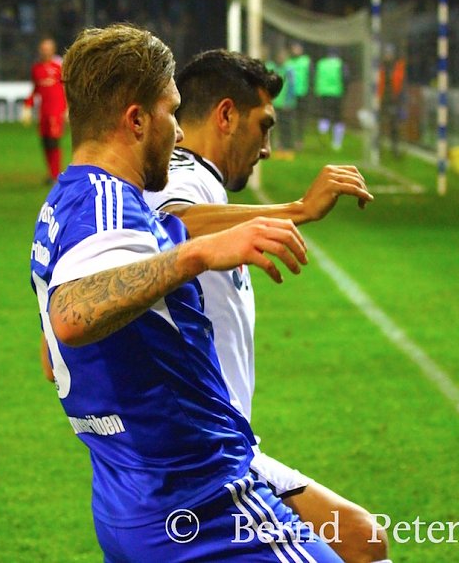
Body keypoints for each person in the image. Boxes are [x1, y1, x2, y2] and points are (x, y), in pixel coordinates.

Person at [30, 24, 342, 562]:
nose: (178, 134)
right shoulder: (106, 205)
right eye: (171, 113)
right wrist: (197, 256)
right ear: (136, 120)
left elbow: (52, 356)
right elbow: (71, 315)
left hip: (132, 498)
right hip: (202, 499)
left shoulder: (63, 207)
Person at [143, 49, 389, 563]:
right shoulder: (182, 176)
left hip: (218, 447)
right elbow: (166, 225)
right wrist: (298, 210)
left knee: (362, 540)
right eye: (264, 127)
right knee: (363, 543)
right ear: (226, 115)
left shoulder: (200, 182)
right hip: (201, 460)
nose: (268, 149)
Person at [22, 37, 67, 185]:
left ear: (53, 50)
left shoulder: (59, 66)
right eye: (43, 49)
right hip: (43, 112)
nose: (45, 51)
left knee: (54, 143)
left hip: (56, 111)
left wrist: (68, 108)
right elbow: (35, 89)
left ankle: (56, 175)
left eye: (47, 49)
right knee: (46, 143)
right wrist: (27, 106)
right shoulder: (37, 68)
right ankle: (51, 173)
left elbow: (67, 88)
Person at [314, 47, 347, 150]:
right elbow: (346, 77)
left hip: (323, 93)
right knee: (337, 118)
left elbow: (315, 77)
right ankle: (336, 143)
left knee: (324, 115)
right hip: (337, 93)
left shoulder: (321, 63)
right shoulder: (340, 64)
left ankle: (323, 136)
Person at [377, 43, 406, 158]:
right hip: (383, 99)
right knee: (380, 124)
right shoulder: (381, 67)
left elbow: (401, 83)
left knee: (394, 125)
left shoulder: (398, 66)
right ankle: (378, 150)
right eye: (386, 54)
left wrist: (401, 99)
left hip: (394, 99)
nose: (388, 56)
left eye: (390, 54)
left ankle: (395, 149)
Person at [289, 42, 312, 150]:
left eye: (297, 48)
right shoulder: (289, 62)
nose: (295, 50)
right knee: (289, 119)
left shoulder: (306, 61)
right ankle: (289, 141)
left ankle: (299, 140)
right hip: (290, 96)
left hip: (302, 94)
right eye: (294, 48)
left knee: (300, 119)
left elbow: (311, 76)